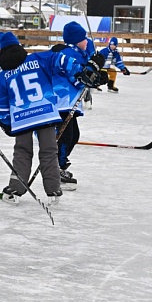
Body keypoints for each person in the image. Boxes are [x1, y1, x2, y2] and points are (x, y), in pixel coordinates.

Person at [0, 31, 102, 205]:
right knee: (49, 152)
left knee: (22, 152)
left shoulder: (2, 77)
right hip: (46, 113)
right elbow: (60, 59)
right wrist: (81, 70)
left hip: (22, 119)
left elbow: (1, 104)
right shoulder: (38, 59)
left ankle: (15, 188)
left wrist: (6, 123)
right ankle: (54, 190)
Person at [49, 22, 101, 190]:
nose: (87, 41)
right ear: (77, 40)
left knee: (73, 135)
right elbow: (78, 79)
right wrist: (92, 72)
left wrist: (97, 71)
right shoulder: (72, 55)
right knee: (66, 136)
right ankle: (58, 169)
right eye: (84, 38)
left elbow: (86, 72)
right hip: (63, 101)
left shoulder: (77, 52)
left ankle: (59, 165)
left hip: (68, 102)